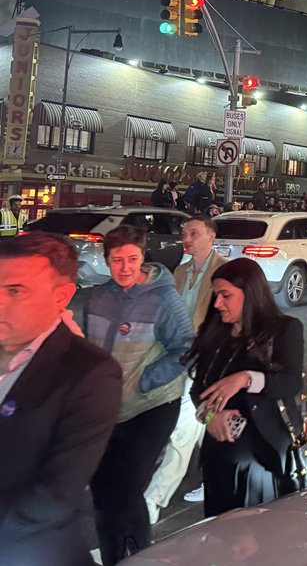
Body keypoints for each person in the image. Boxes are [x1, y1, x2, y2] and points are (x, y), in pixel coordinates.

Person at [0, 232, 123, 566]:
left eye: (15, 291)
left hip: (29, 552)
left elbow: (55, 495)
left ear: (62, 296)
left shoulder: (90, 374)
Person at [83, 225, 193, 564]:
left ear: (143, 257)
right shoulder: (98, 297)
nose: (125, 267)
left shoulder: (163, 298)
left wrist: (145, 380)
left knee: (126, 488)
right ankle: (127, 553)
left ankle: (130, 555)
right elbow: (90, 349)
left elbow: (186, 348)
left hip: (152, 406)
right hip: (109, 409)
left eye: (132, 259)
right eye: (117, 260)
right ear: (106, 260)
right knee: (102, 491)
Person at [183, 258, 303, 516]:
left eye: (226, 295)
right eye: (216, 295)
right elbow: (198, 391)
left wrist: (246, 378)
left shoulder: (284, 330)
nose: (218, 304)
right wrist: (211, 415)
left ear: (250, 294)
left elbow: (292, 382)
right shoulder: (215, 332)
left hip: (264, 454)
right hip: (221, 451)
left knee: (257, 533)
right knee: (219, 529)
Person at [144, 216, 227, 520]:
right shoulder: (178, 272)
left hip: (208, 365)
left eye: (194, 233)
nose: (186, 238)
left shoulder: (224, 272)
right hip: (177, 362)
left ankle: (154, 499)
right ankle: (218, 477)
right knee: (205, 424)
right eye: (184, 233)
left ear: (211, 236)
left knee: (183, 429)